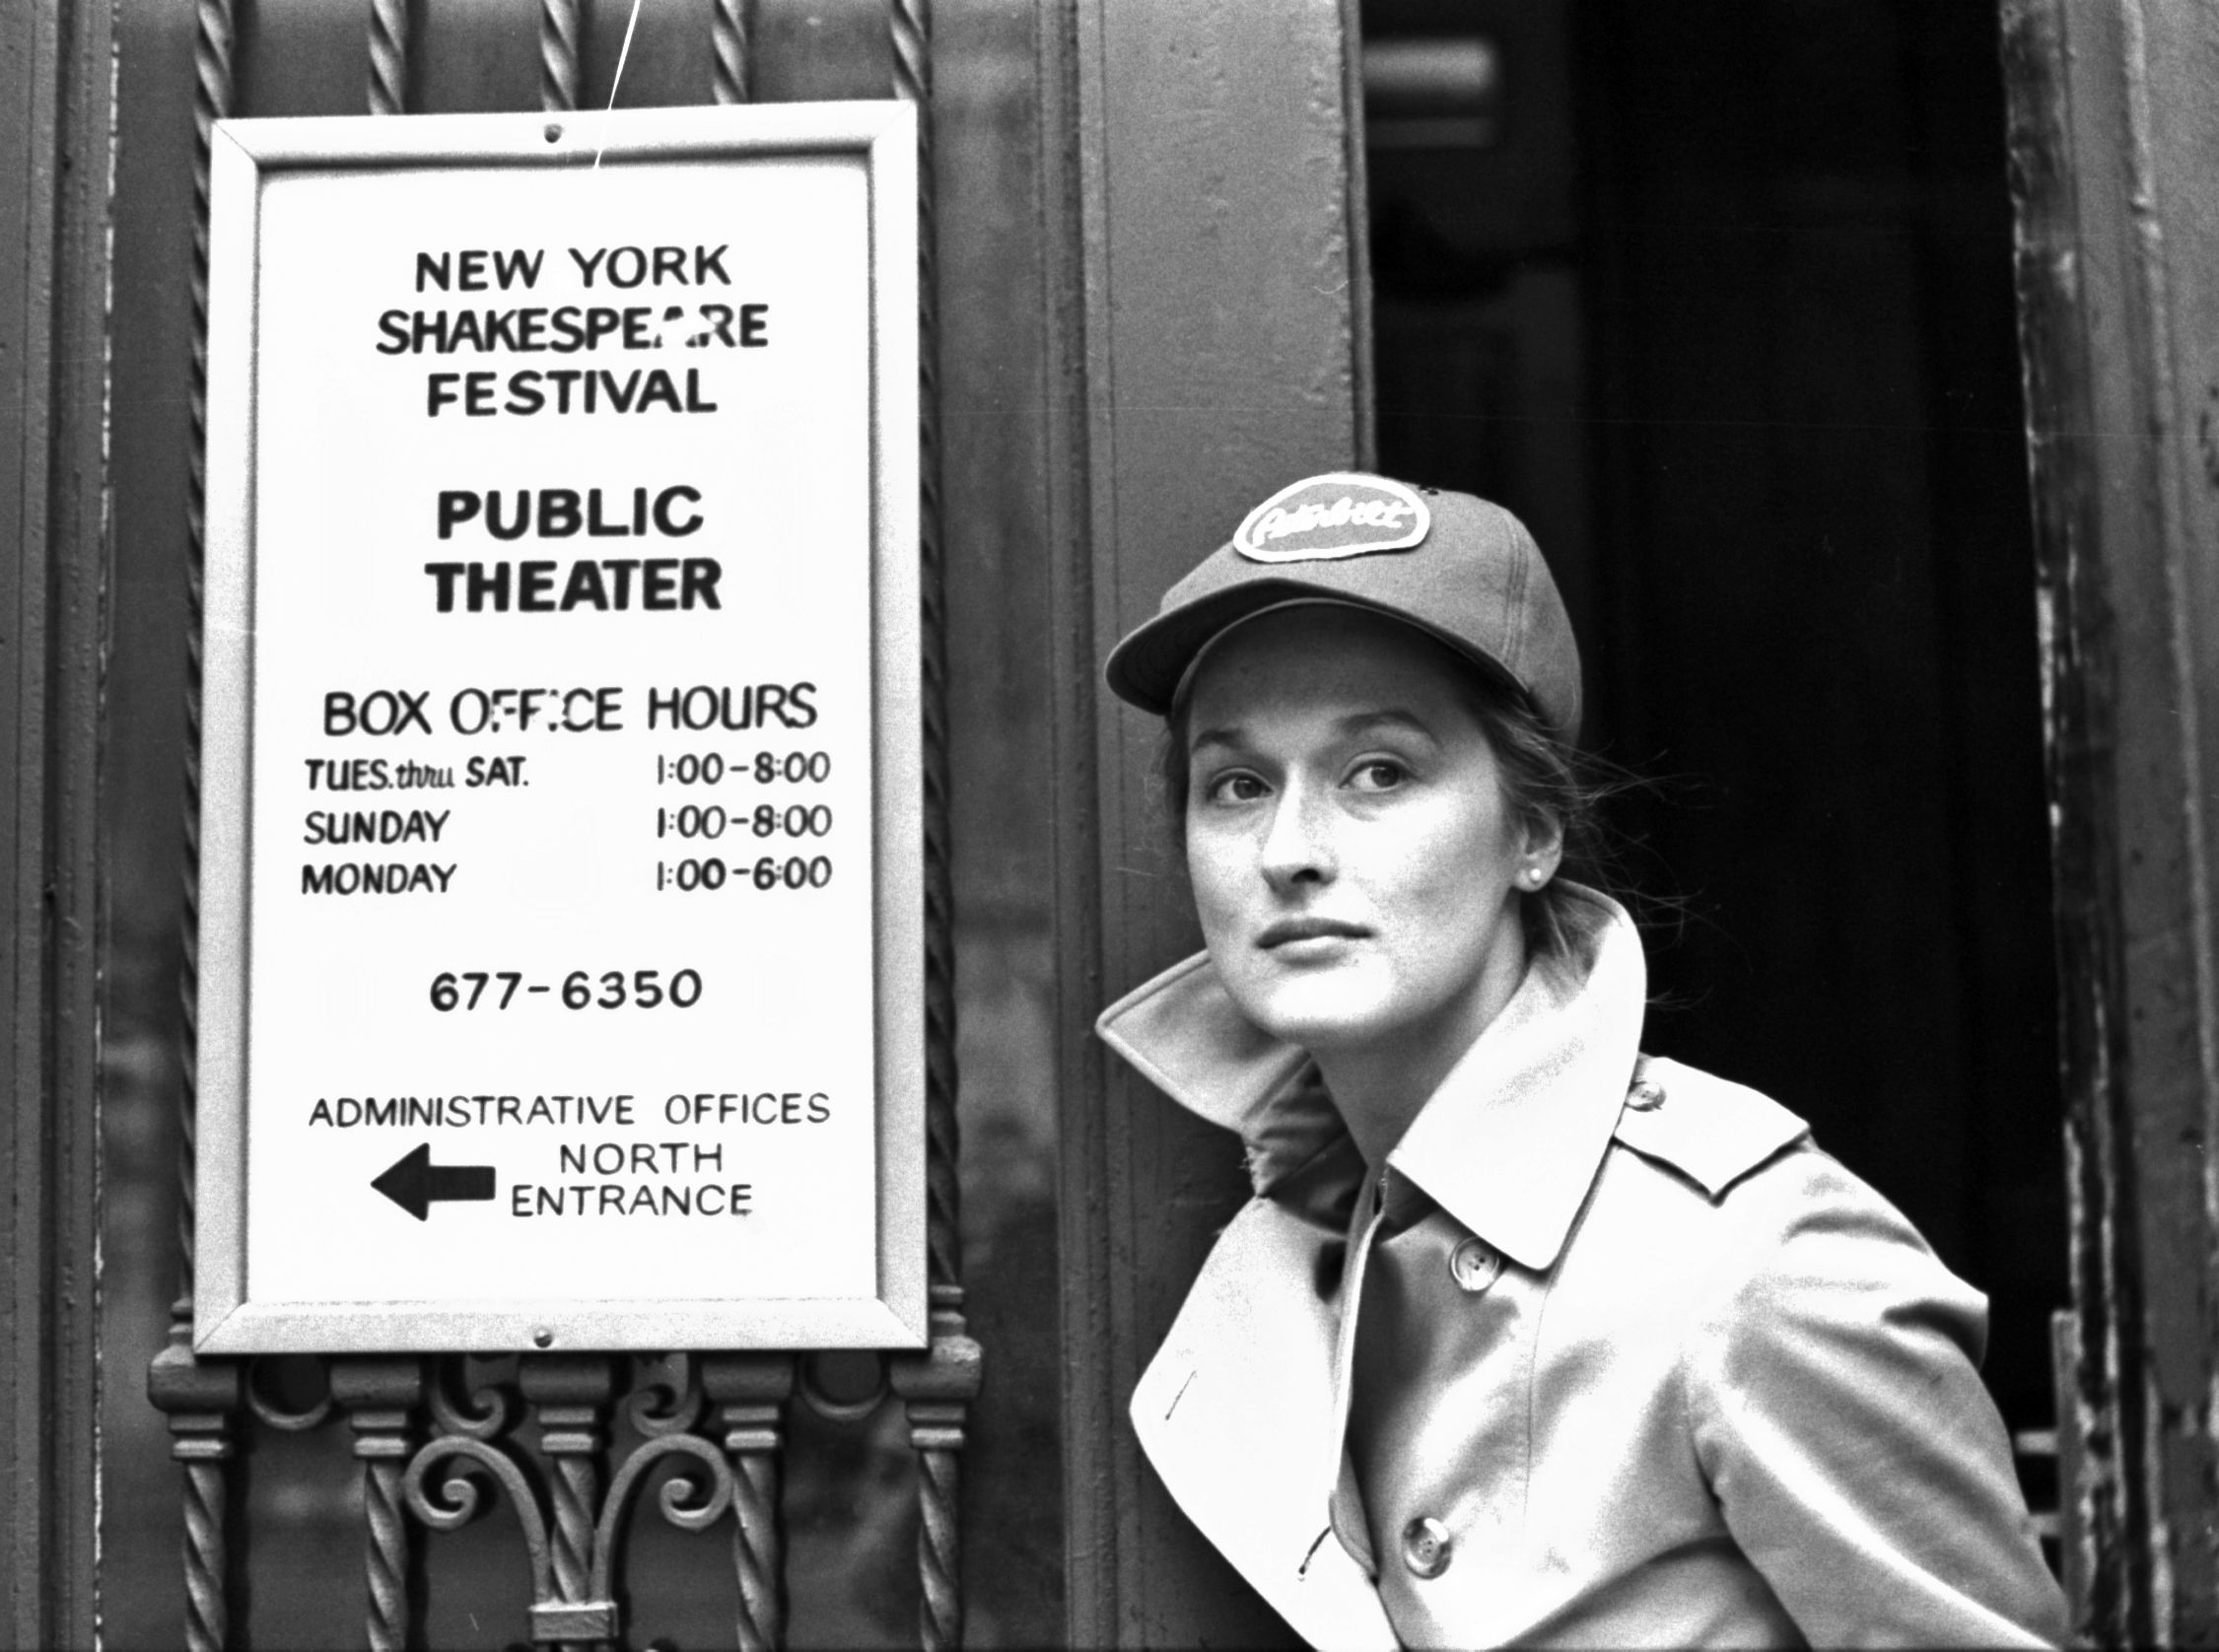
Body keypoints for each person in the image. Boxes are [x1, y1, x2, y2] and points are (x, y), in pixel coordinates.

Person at [1093, 472, 2069, 1649]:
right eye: (1236, 785)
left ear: (1533, 832)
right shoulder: (1314, 1235)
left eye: (1378, 772)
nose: (1289, 849)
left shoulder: (1756, 1256)